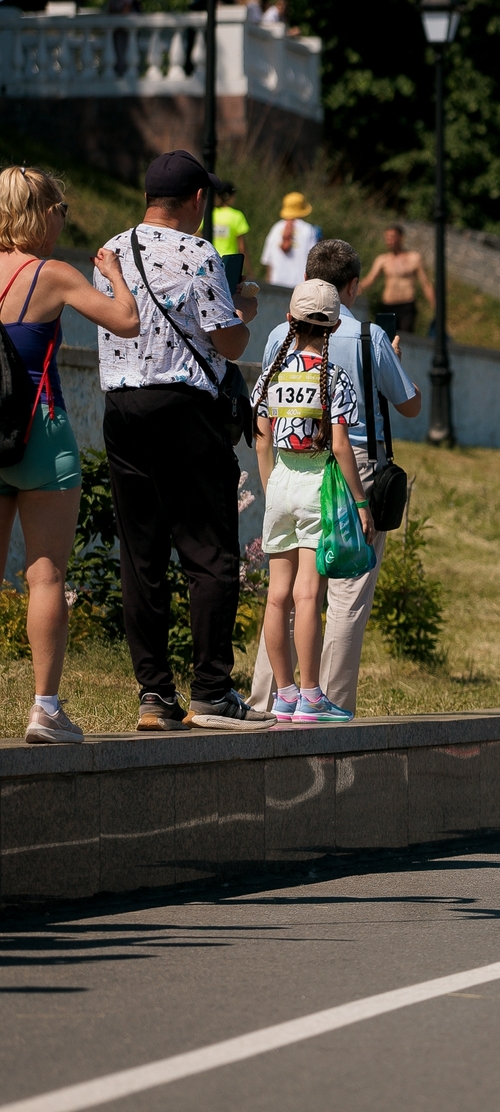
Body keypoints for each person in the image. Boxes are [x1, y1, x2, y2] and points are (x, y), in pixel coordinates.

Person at [95, 150, 274, 731]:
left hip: (121, 409)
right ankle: (212, 692)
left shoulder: (110, 251)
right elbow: (228, 342)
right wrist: (243, 305)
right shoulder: (198, 254)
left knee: (140, 555)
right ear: (197, 200)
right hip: (182, 411)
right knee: (209, 551)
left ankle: (154, 694)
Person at [246, 239, 422, 714]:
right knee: (345, 592)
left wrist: (270, 483)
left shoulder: (276, 339)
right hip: (350, 466)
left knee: (281, 595)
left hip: (285, 469)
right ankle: (326, 700)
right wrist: (396, 363)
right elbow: (409, 405)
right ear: (353, 286)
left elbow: (262, 428)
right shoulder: (369, 337)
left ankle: (270, 696)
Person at [0, 166, 141, 742]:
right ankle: (45, 709)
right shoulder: (53, 274)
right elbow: (126, 322)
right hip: (42, 434)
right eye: (61, 211)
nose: (62, 222)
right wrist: (114, 276)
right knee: (46, 576)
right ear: (42, 214)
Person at [251, 281, 373, 722]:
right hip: (318, 484)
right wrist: (360, 504)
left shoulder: (271, 375)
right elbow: (341, 446)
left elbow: (261, 442)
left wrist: (271, 489)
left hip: (280, 483)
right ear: (334, 327)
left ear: (289, 320)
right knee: (308, 595)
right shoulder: (334, 378)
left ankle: (284, 695)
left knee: (277, 596)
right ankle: (311, 696)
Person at [361, 226, 434, 336]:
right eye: (387, 238)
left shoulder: (414, 258)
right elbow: (370, 279)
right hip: (388, 305)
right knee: (385, 338)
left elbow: (426, 284)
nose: (389, 241)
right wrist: (355, 288)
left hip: (406, 306)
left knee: (405, 338)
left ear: (401, 238)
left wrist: (435, 305)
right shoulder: (382, 260)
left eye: (392, 237)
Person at [259, 193, 319, 289]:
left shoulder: (275, 228)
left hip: (276, 286)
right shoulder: (309, 230)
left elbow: (268, 262)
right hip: (300, 287)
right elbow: (314, 261)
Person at [209, 178, 248, 268]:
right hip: (229, 262)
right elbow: (242, 247)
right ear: (230, 196)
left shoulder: (210, 214)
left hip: (211, 260)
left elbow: (198, 234)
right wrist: (249, 270)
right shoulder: (237, 216)